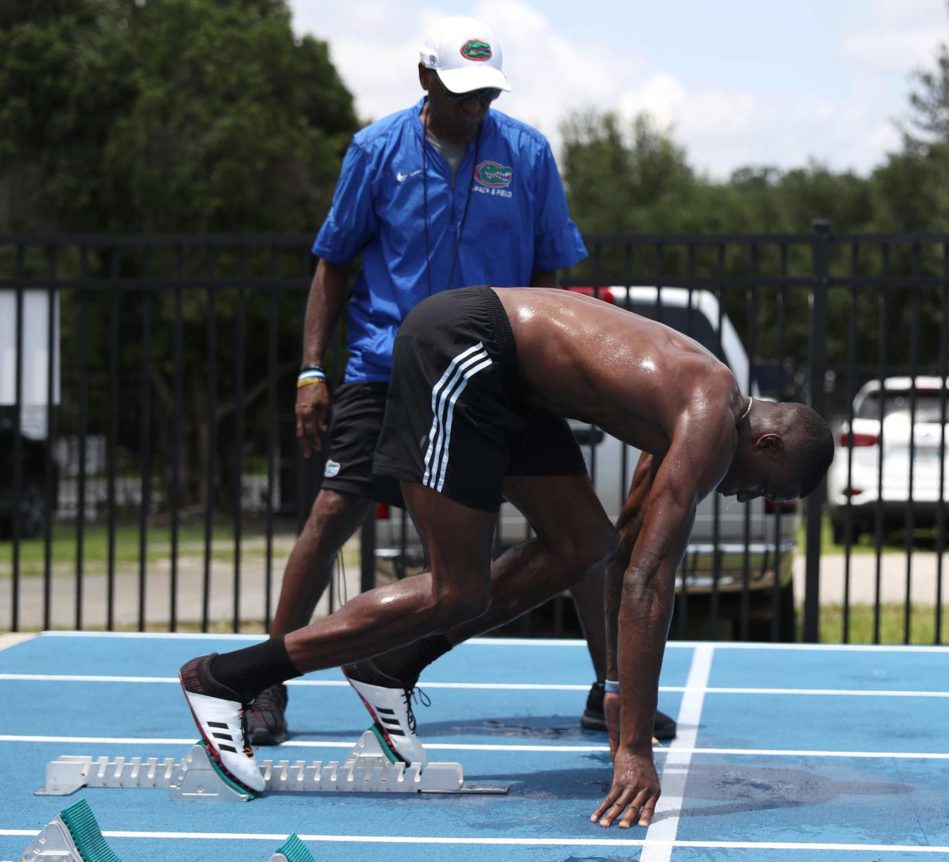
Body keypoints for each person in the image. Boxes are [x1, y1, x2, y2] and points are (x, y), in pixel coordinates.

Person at [180, 286, 835, 827]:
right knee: (455, 591)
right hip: (465, 348)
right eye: (761, 487)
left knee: (585, 545)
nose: (747, 495)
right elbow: (650, 580)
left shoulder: (698, 396)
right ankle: (227, 678)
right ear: (770, 444)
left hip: (517, 385)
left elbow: (628, 540)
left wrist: (615, 689)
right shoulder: (707, 414)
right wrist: (632, 749)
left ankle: (389, 666)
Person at [248, 14, 677, 745]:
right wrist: (312, 371)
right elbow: (334, 262)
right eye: (459, 94)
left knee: (581, 534)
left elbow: (551, 271)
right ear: (425, 78)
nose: (473, 109)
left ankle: (607, 689)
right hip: (387, 369)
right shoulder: (375, 150)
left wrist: (549, 366)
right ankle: (261, 689)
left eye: (485, 95)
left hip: (500, 371)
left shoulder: (529, 155)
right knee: (330, 516)